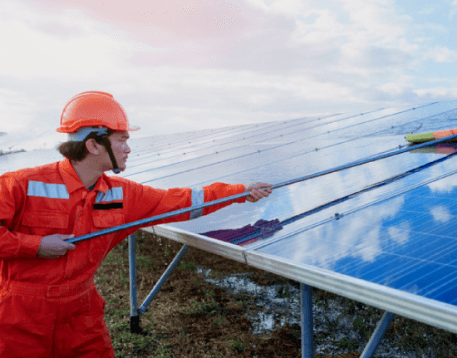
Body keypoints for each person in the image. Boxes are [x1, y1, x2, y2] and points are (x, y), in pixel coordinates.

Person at [0, 91, 272, 357]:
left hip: (81, 316)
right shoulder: (20, 184)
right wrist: (36, 245)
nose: (128, 148)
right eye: (122, 139)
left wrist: (239, 191)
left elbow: (180, 201)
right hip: (20, 317)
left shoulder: (122, 194)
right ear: (94, 145)